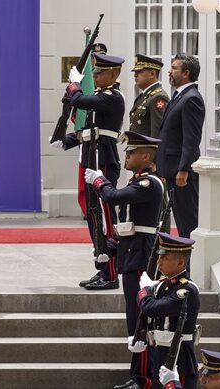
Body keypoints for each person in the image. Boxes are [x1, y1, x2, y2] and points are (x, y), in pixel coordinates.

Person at [86, 131, 163, 389]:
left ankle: (144, 379)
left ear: (145, 156)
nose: (126, 156)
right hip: (133, 254)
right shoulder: (138, 182)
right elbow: (129, 224)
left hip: (143, 257)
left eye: (131, 153)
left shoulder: (148, 184)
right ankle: (138, 375)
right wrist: (111, 246)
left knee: (141, 319)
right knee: (134, 316)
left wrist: (100, 182)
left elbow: (114, 197)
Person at [52, 52, 126, 290]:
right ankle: (101, 265)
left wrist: (73, 85)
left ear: (113, 74)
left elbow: (80, 101)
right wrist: (67, 140)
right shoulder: (99, 96)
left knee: (105, 217)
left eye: (99, 72)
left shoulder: (114, 97)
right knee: (93, 215)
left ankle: (111, 274)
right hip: (91, 156)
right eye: (93, 72)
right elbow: (90, 130)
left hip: (102, 160)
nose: (95, 76)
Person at [138, 233, 200, 389]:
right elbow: (146, 310)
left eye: (165, 258)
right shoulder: (165, 285)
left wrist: (145, 290)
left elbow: (151, 308)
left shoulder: (186, 290)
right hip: (161, 351)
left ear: (180, 261)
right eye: (159, 256)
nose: (159, 261)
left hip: (179, 355)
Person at [156, 54, 205, 239]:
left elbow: (191, 138)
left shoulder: (192, 98)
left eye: (174, 68)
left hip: (180, 172)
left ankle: (192, 265)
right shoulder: (179, 95)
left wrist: (183, 168)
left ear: (186, 73)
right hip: (171, 169)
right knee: (181, 220)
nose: (169, 71)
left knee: (188, 222)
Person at [130, 54, 169, 138]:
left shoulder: (158, 97)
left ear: (152, 74)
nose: (135, 75)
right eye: (135, 72)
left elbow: (158, 133)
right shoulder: (143, 96)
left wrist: (153, 151)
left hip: (147, 150)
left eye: (139, 71)